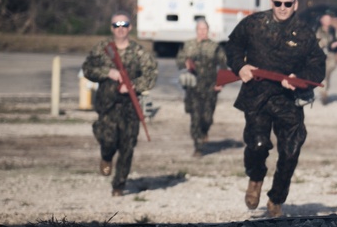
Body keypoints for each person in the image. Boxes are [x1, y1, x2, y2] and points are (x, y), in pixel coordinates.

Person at [224, 0, 325, 218]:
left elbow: (318, 66)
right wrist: (240, 66)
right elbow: (233, 45)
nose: (282, 8)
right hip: (256, 96)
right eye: (278, 3)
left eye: (287, 4)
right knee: (257, 145)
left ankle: (276, 198)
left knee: (291, 152)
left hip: (288, 100)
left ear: (295, 5)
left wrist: (299, 79)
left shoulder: (304, 32)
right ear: (271, 3)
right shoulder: (254, 24)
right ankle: (256, 178)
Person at [81, 11, 158, 197]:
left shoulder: (139, 52)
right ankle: (106, 157)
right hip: (107, 105)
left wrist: (132, 85)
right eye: (117, 25)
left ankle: (119, 184)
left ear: (130, 27)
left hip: (130, 107)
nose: (121, 28)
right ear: (111, 28)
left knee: (127, 146)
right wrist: (108, 72)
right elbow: (87, 69)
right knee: (108, 140)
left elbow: (151, 76)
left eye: (124, 25)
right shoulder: (102, 48)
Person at [176, 18, 228, 156]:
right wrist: (185, 63)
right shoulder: (188, 45)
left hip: (210, 87)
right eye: (200, 29)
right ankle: (198, 147)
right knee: (195, 117)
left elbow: (223, 65)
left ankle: (204, 131)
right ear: (196, 30)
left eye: (204, 29)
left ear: (208, 31)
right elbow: (179, 61)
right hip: (193, 88)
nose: (202, 32)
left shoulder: (214, 47)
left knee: (207, 118)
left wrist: (221, 83)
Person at [316, 11, 337, 105]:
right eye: (325, 19)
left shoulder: (333, 31)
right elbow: (313, 43)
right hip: (320, 56)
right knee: (322, 74)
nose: (327, 21)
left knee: (327, 74)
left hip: (331, 57)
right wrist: (322, 44)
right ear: (321, 20)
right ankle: (323, 92)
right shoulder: (318, 31)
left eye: (329, 19)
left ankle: (325, 90)